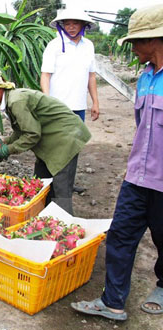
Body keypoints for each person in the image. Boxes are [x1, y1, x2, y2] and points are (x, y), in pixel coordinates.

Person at [71, 4, 163, 321]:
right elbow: (143, 129)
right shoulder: (147, 78)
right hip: (136, 177)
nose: (133, 48)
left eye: (136, 41)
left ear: (155, 40)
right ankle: (113, 302)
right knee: (121, 235)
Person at [0, 69, 91, 215]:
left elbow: (32, 134)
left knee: (61, 188)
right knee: (40, 182)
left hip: (66, 137)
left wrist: (8, 149)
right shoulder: (10, 100)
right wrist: (4, 143)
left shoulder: (16, 101)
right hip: (52, 138)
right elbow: (22, 130)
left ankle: (64, 227)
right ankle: (45, 216)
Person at [41, 8, 99, 193]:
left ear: (83, 25)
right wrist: (47, 101)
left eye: (75, 23)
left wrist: (95, 102)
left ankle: (66, 185)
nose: (71, 27)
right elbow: (45, 75)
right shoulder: (54, 45)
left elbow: (91, 76)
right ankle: (46, 186)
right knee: (52, 146)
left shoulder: (88, 46)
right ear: (61, 25)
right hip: (57, 107)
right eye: (67, 23)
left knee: (73, 148)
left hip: (79, 107)